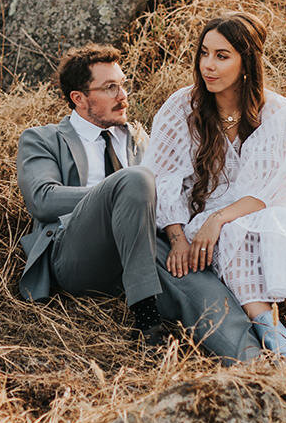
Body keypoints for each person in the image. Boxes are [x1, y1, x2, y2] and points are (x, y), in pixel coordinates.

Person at [15, 43, 262, 363]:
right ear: (79, 98)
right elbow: (42, 199)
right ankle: (147, 322)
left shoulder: (139, 137)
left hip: (141, 246)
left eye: (123, 84)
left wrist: (180, 237)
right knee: (136, 180)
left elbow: (171, 192)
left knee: (203, 287)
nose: (123, 95)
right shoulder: (42, 138)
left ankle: (258, 362)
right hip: (76, 254)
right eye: (110, 87)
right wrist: (118, 195)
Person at [146, 12, 286, 357]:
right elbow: (162, 177)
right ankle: (280, 343)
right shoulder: (181, 107)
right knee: (235, 234)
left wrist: (221, 218)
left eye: (222, 56)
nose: (208, 65)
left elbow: (274, 186)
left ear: (247, 62)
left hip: (260, 206)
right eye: (203, 53)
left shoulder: (280, 113)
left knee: (279, 224)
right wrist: (178, 236)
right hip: (205, 214)